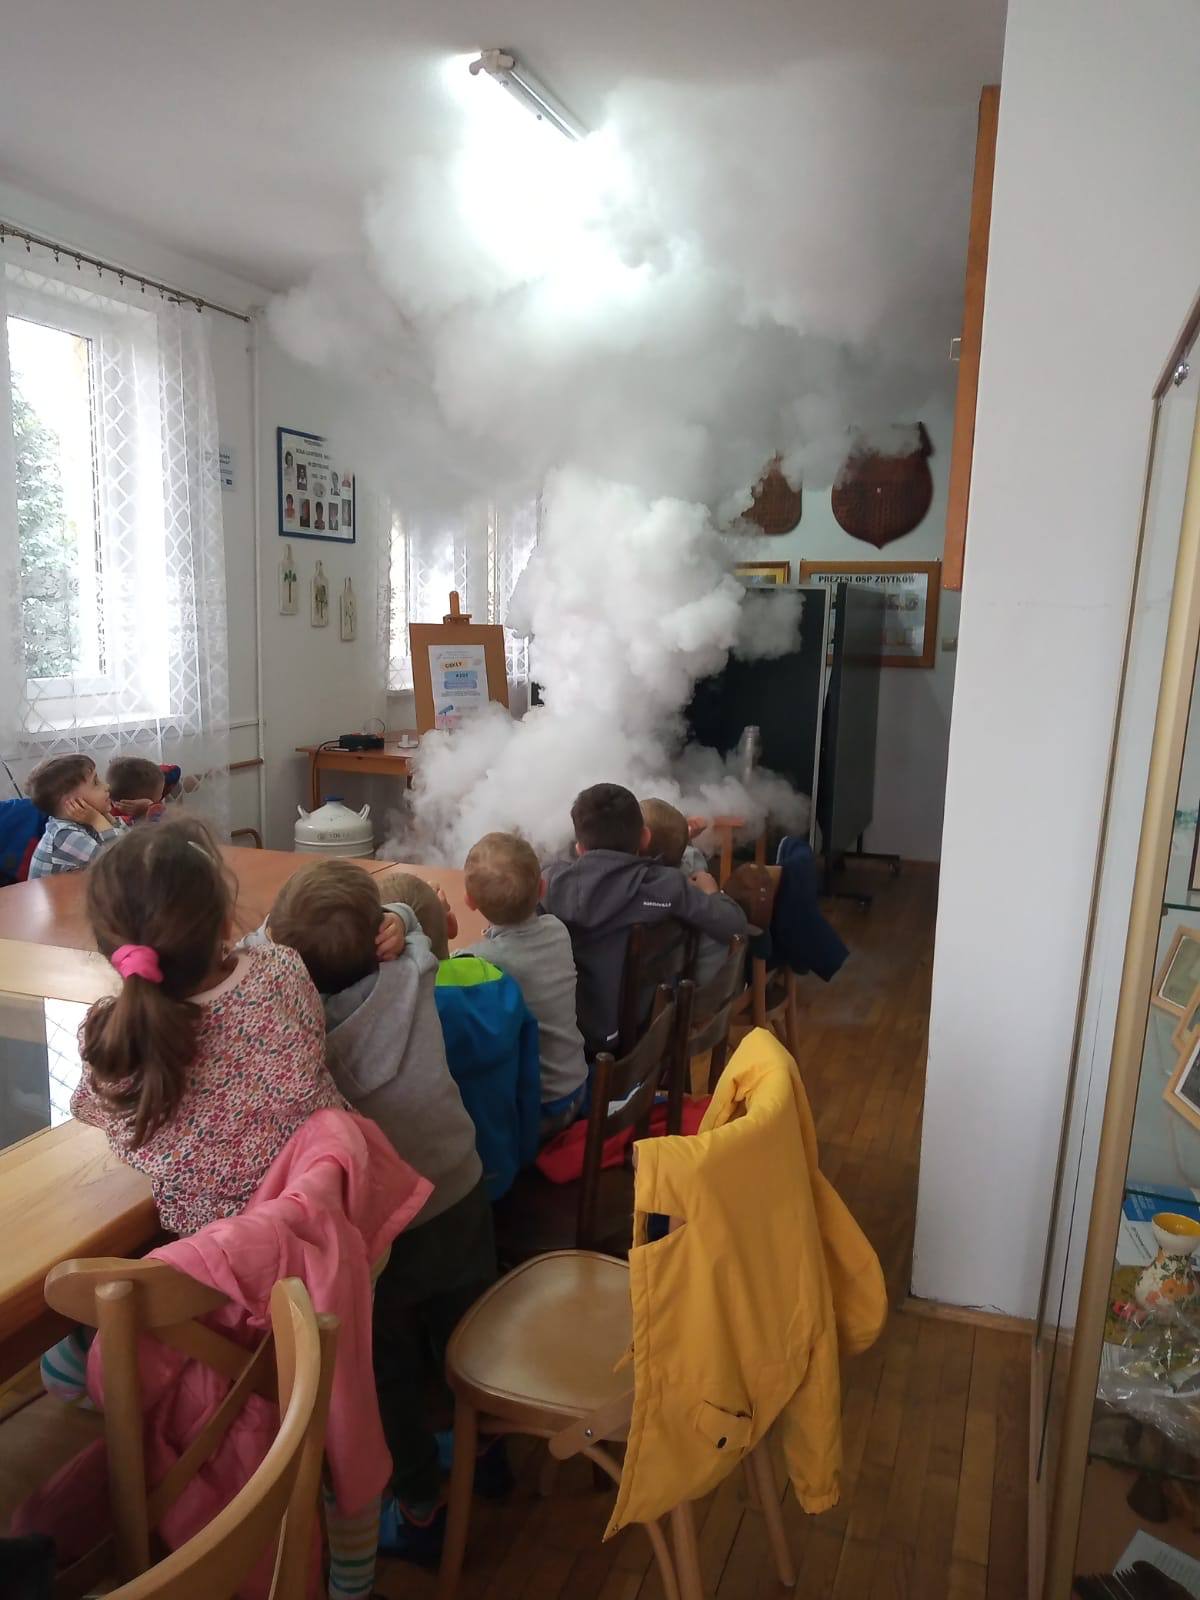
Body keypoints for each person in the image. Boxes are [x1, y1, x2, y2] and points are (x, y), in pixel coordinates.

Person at [267, 859, 499, 1563]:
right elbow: (422, 924)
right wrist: (396, 917)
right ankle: (490, 1454)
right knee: (473, 1328)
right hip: (456, 1185)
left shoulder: (295, 1021)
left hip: (381, 1226)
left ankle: (420, 1507)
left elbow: (253, 948)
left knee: (389, 1373)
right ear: (380, 940)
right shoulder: (411, 973)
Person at [70, 818, 346, 1236]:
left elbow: (89, 1109)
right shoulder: (280, 972)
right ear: (225, 921)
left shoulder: (109, 1035)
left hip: (219, 1255)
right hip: (333, 1216)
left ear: (110, 948)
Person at [542, 783, 748, 1056]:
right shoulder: (668, 887)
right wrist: (713, 893)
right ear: (644, 838)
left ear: (579, 847)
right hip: (647, 1041)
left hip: (569, 1043)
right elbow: (735, 925)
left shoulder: (551, 884)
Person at [462, 832, 588, 1139]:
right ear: (542, 888)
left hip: (538, 1110)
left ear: (469, 902)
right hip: (578, 1086)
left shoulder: (481, 961)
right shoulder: (557, 929)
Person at [640, 798, 729, 986]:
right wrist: (713, 894)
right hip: (688, 993)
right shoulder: (691, 874)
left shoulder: (628, 886)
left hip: (636, 995)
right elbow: (733, 923)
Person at [26, 754, 125, 878]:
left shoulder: (86, 820)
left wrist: (108, 817)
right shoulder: (64, 835)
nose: (107, 786)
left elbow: (132, 847)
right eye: (96, 783)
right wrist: (98, 820)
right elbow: (122, 863)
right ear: (74, 803)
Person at [106, 755, 168, 823]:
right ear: (137, 802)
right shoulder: (131, 823)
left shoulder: (108, 813)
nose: (161, 796)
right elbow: (169, 822)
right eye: (160, 793)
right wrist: (149, 807)